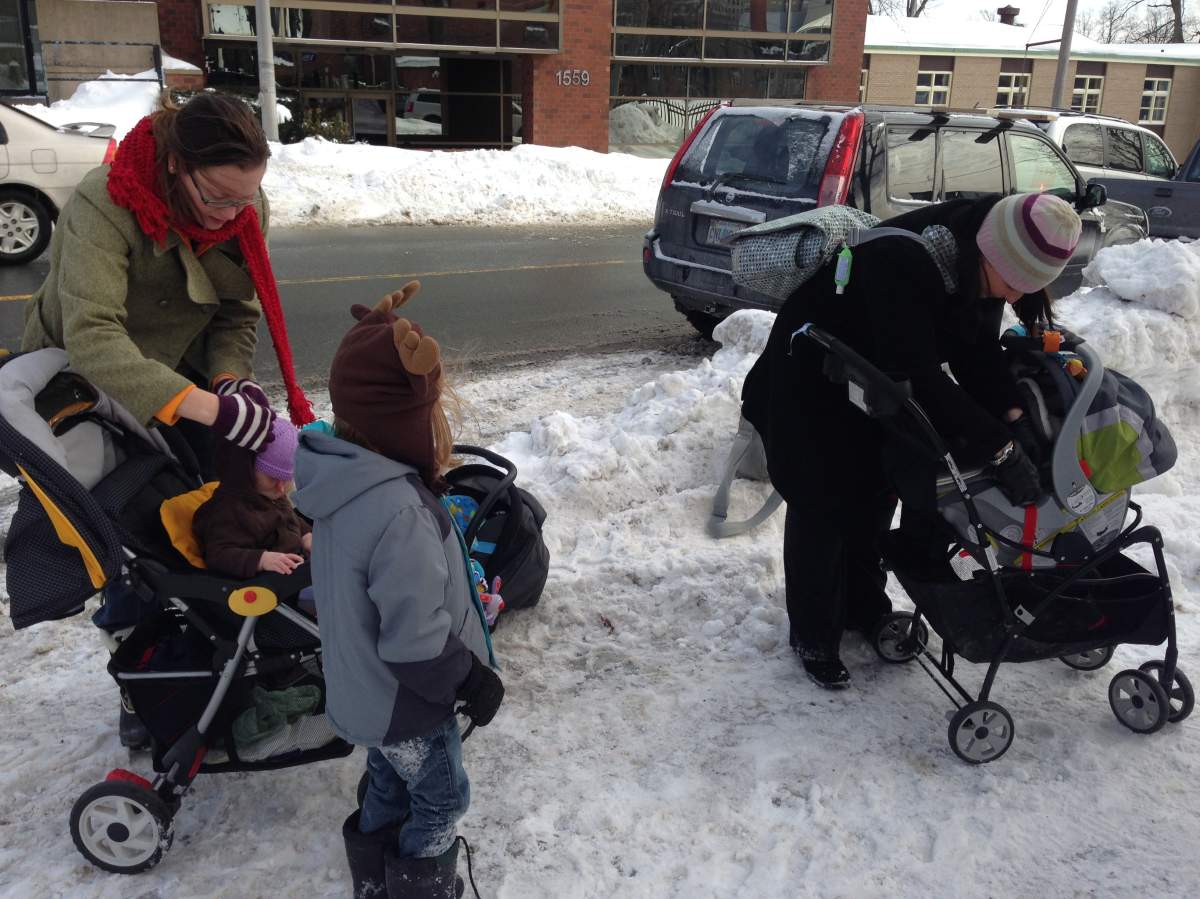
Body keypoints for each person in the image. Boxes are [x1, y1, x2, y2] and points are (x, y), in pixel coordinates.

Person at [20, 92, 314, 746]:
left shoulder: (240, 204)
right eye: (219, 198)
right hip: (81, 378)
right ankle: (144, 670)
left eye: (248, 199)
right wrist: (211, 408)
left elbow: (237, 314)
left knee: (208, 509)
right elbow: (94, 336)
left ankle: (221, 642)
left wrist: (229, 382)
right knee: (128, 533)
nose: (236, 214)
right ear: (177, 166)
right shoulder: (108, 202)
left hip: (176, 373)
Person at [740, 192, 1082, 689]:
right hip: (811, 382)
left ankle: (864, 607)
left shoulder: (981, 254)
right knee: (822, 503)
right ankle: (813, 634)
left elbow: (976, 350)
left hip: (873, 385)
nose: (1012, 299)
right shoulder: (903, 262)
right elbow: (921, 376)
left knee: (877, 489)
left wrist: (1012, 416)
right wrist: (996, 447)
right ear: (990, 255)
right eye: (1011, 285)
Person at [293, 285, 504, 899]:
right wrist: (471, 680)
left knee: (388, 780)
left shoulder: (339, 478)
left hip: (363, 696)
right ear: (408, 422)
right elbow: (414, 644)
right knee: (440, 797)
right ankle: (417, 890)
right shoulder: (400, 510)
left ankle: (372, 883)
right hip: (406, 701)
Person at [193, 417, 312, 578]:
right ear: (246, 468)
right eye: (273, 478)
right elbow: (218, 554)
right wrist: (261, 560)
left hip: (298, 566)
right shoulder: (229, 510)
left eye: (287, 479)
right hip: (273, 586)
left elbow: (290, 519)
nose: (282, 488)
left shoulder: (269, 492)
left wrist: (306, 535)